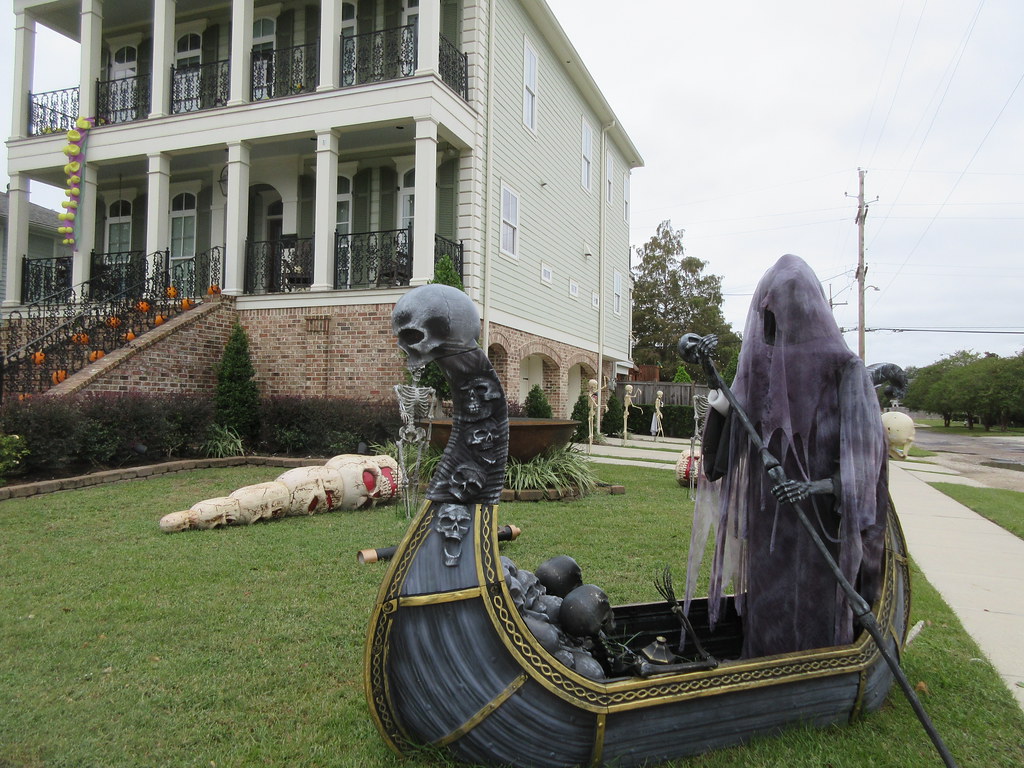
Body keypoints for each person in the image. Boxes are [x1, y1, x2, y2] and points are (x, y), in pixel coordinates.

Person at [684, 254, 889, 658]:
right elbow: (727, 446)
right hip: (770, 523)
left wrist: (813, 487)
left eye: (781, 311)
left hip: (821, 526)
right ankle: (767, 664)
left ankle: (817, 669)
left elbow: (864, 469)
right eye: (768, 313)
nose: (773, 323)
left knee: (814, 601)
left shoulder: (845, 370)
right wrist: (711, 374)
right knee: (770, 602)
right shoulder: (761, 372)